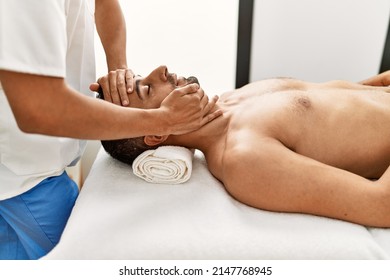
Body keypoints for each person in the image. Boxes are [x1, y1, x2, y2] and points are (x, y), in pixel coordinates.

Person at [0, 0, 220, 260]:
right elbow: (39, 109)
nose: (162, 69)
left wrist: (121, 72)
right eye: (145, 88)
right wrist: (163, 120)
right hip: (24, 173)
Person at [98, 65, 390, 228]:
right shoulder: (243, 158)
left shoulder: (233, 96)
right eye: (147, 88)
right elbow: (381, 205)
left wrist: (377, 84)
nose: (160, 70)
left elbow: (336, 108)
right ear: (157, 135)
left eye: (142, 76)